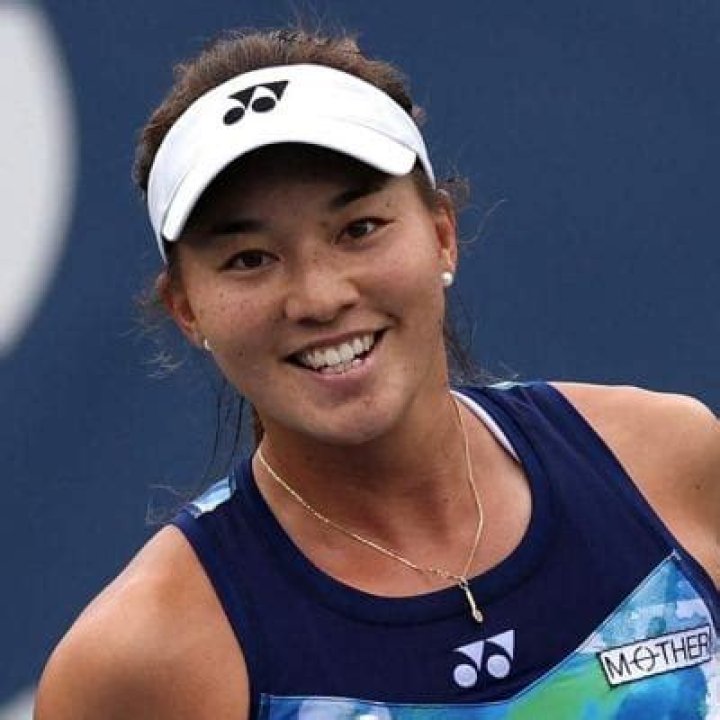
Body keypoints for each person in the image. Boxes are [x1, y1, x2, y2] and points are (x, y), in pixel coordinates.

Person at [35, 27, 719, 719]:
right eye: (249, 259)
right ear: (186, 308)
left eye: (358, 229)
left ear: (442, 235)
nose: (318, 297)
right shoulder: (142, 658)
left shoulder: (666, 461)